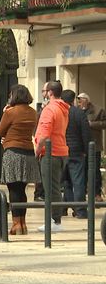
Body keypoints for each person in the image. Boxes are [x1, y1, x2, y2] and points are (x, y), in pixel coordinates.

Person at [0, 84, 41, 235]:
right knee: (22, 189)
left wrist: (5, 112)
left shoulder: (10, 112)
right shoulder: (33, 112)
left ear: (14, 96)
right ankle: (23, 223)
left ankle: (16, 224)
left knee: (13, 188)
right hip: (28, 152)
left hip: (13, 153)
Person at [35, 81, 69, 232]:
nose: (43, 94)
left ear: (50, 93)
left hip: (50, 153)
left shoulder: (50, 109)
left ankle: (54, 221)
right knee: (55, 187)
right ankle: (55, 220)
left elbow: (44, 133)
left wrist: (37, 150)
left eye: (44, 91)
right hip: (60, 151)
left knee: (50, 188)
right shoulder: (63, 108)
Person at [61, 90, 91, 219]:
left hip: (61, 151)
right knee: (78, 181)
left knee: (66, 181)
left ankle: (64, 208)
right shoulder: (79, 113)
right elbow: (86, 133)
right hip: (76, 151)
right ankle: (80, 210)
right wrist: (87, 150)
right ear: (73, 100)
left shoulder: (58, 112)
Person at [77, 92, 105, 202]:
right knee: (82, 170)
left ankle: (97, 193)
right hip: (81, 145)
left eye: (81, 100)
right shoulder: (77, 110)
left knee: (95, 171)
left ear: (86, 100)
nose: (79, 102)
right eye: (78, 100)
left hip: (95, 145)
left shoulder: (99, 110)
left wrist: (92, 124)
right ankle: (82, 193)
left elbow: (104, 123)